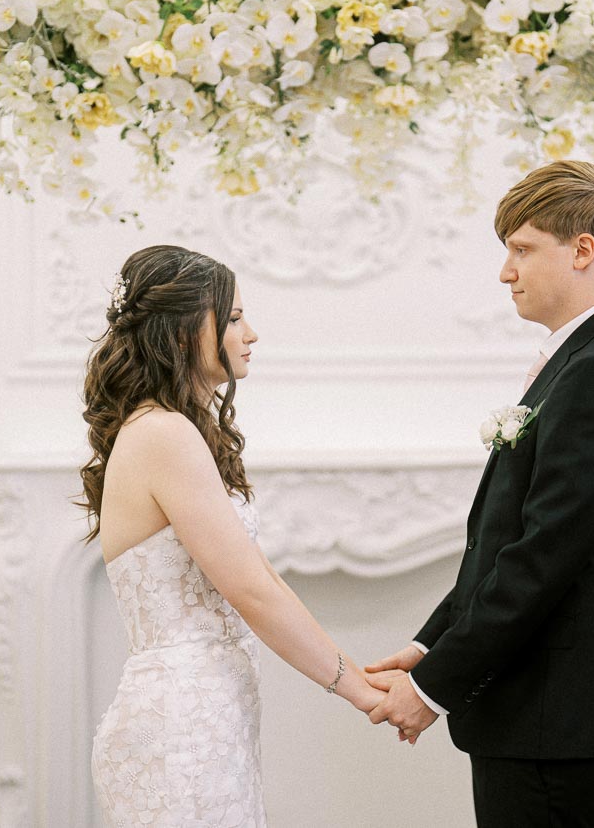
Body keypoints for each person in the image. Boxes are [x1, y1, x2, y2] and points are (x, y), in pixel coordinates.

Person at [366, 160, 594, 827]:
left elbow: (543, 562)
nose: (506, 271)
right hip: (542, 706)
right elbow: (511, 545)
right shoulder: (587, 360)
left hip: (555, 711)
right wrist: (430, 645)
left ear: (583, 251)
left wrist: (433, 687)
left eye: (522, 249)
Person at [82, 245, 384, 827]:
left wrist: (358, 668)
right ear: (181, 333)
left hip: (209, 721)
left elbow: (261, 577)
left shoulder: (175, 431)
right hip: (179, 734)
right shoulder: (163, 434)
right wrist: (360, 691)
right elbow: (253, 594)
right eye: (236, 317)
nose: (252, 333)